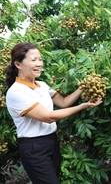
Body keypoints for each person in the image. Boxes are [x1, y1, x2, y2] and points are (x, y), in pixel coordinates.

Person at [5, 42, 102, 184]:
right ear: (18, 64)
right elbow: (48, 117)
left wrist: (84, 86)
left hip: (51, 141)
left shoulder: (42, 86)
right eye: (33, 60)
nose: (39, 63)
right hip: (34, 147)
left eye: (40, 59)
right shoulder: (16, 92)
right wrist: (81, 107)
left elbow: (64, 102)